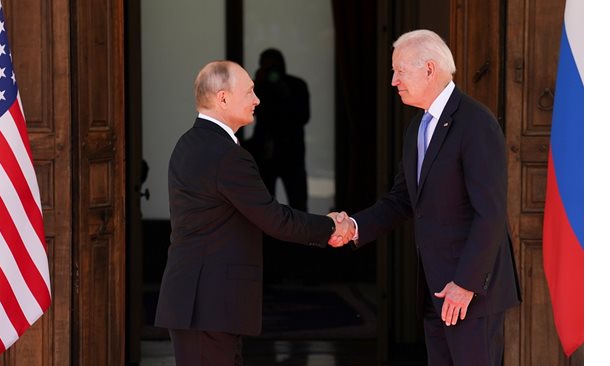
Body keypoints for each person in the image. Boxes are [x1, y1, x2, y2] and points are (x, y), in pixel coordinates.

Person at [332, 30, 521, 365]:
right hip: (435, 292)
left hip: (470, 295)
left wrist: (464, 284)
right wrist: (355, 225)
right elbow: (401, 199)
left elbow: (489, 213)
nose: (393, 81)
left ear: (429, 69)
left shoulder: (475, 123)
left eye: (400, 71)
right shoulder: (417, 126)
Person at [153, 60, 353, 366]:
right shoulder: (227, 156)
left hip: (198, 303)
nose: (257, 99)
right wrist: (329, 226)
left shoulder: (189, 143)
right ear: (222, 98)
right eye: (249, 92)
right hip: (208, 307)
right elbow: (273, 218)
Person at [247, 48, 310, 211]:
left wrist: (286, 93)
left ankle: (302, 236)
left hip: (292, 154)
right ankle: (267, 238)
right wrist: (258, 85)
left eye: (274, 67)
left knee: (299, 206)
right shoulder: (257, 89)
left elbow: (303, 116)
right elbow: (246, 113)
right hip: (265, 155)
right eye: (266, 68)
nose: (272, 73)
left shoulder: (296, 86)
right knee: (264, 208)